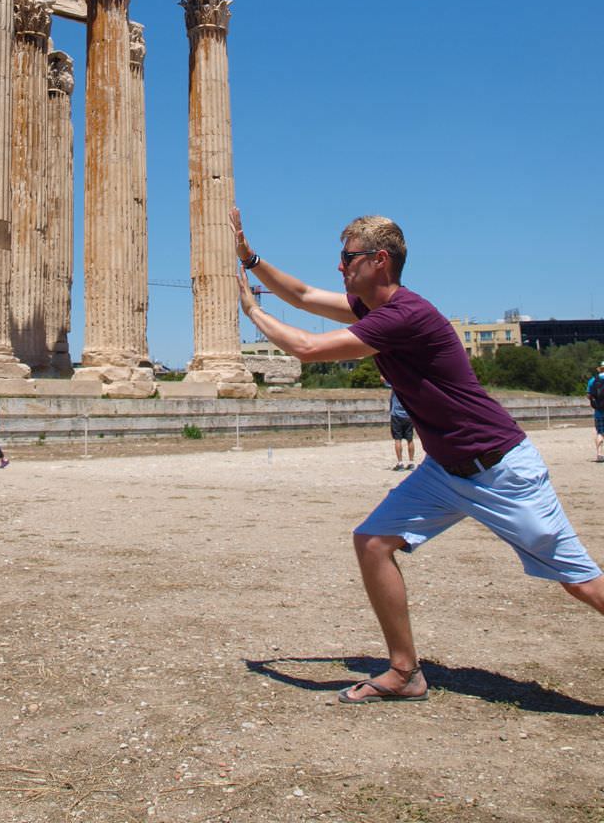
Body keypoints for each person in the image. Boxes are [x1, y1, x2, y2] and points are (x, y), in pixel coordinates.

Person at [231, 207, 604, 704]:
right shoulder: (378, 312)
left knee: (581, 583)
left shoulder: (405, 316)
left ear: (379, 260)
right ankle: (404, 672)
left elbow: (306, 347)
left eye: (348, 258)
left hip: (499, 469)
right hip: (444, 471)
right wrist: (251, 259)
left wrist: (253, 313)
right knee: (372, 542)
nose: (340, 268)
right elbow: (301, 296)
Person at [388, 387, 416, 471]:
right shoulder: (410, 385)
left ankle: (400, 464)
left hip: (397, 415)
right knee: (410, 439)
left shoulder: (395, 383)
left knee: (397, 439)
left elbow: (383, 378)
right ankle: (411, 463)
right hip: (408, 415)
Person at [586, 362, 604, 463]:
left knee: (600, 433)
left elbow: (589, 395)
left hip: (599, 411)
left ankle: (600, 454)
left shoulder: (593, 380)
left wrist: (594, 402)